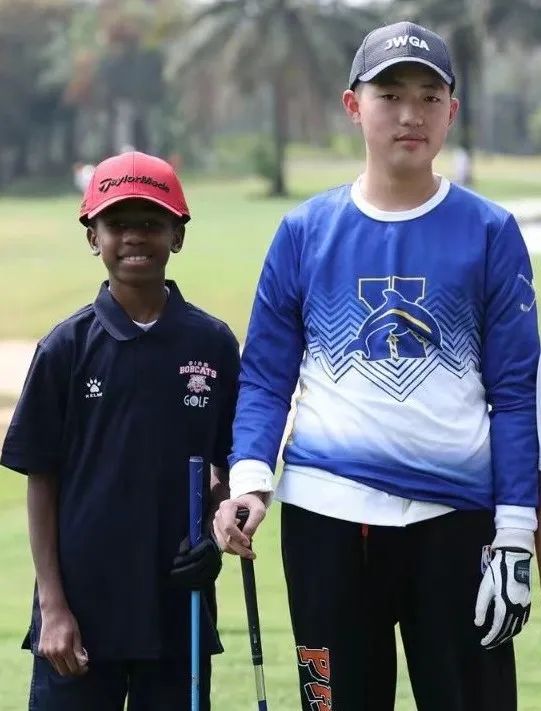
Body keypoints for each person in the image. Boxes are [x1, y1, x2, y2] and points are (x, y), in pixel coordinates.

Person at [213, 21, 539, 711]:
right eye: (389, 95)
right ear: (353, 106)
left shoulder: (490, 233)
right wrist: (250, 480)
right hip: (326, 519)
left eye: (428, 96)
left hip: (457, 521)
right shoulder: (304, 233)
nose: (410, 114)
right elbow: (266, 376)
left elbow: (514, 394)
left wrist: (514, 532)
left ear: (451, 111)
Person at [1, 151, 239, 710]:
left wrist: (213, 535)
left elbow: (229, 467)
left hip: (177, 608)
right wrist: (52, 608)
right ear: (94, 237)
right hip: (80, 615)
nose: (135, 236)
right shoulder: (65, 347)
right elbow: (41, 480)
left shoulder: (212, 344)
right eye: (118, 224)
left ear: (178, 235)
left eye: (152, 223)